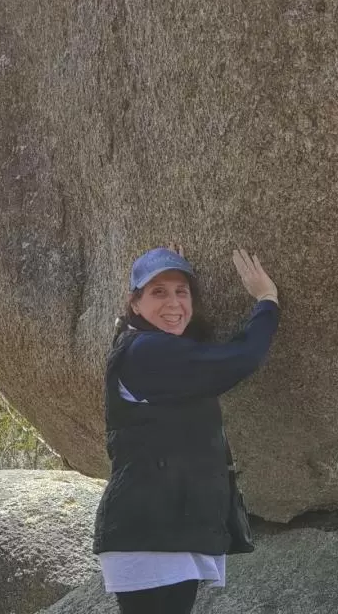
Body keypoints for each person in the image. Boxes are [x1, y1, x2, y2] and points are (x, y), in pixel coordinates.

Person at [93, 245, 279, 614]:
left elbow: (193, 354)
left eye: (182, 291)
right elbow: (237, 359)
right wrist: (267, 300)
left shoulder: (152, 348)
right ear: (134, 303)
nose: (174, 303)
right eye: (158, 292)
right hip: (150, 535)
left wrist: (169, 270)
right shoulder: (145, 353)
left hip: (166, 529)